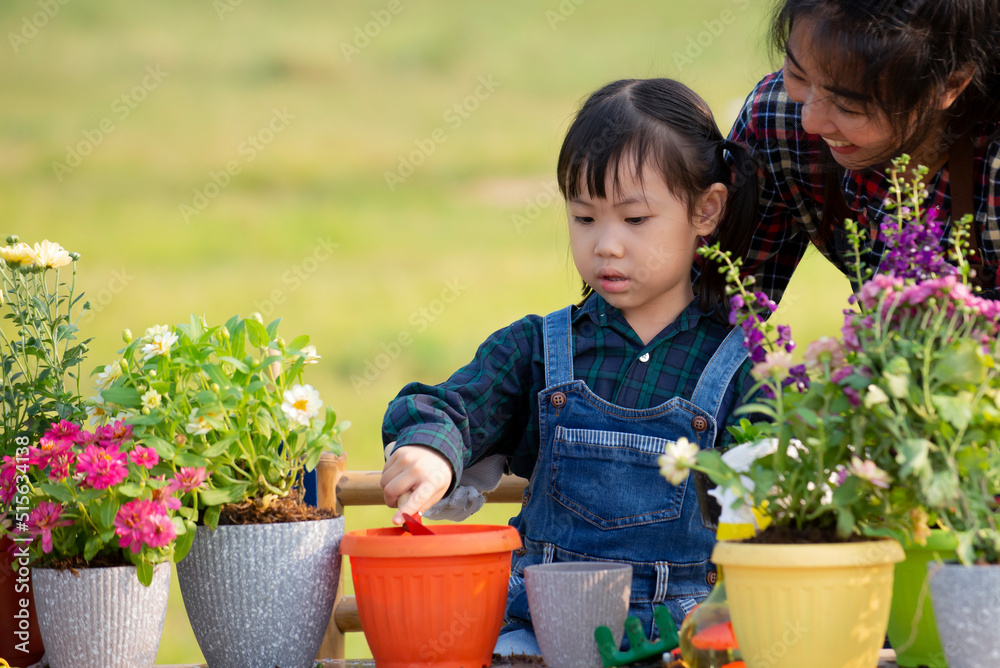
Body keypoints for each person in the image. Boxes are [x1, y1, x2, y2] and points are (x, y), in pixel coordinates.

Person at [379, 78, 760, 654]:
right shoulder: (538, 348)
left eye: (634, 220)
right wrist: (429, 452)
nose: (606, 244)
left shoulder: (741, 368)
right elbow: (449, 407)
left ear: (706, 210)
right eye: (585, 218)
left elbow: (782, 496)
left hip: (682, 644)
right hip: (539, 633)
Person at [730, 0, 1000, 302]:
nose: (810, 122)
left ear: (950, 84)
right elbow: (708, 304)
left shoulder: (993, 167)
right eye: (796, 74)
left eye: (849, 105)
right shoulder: (778, 121)